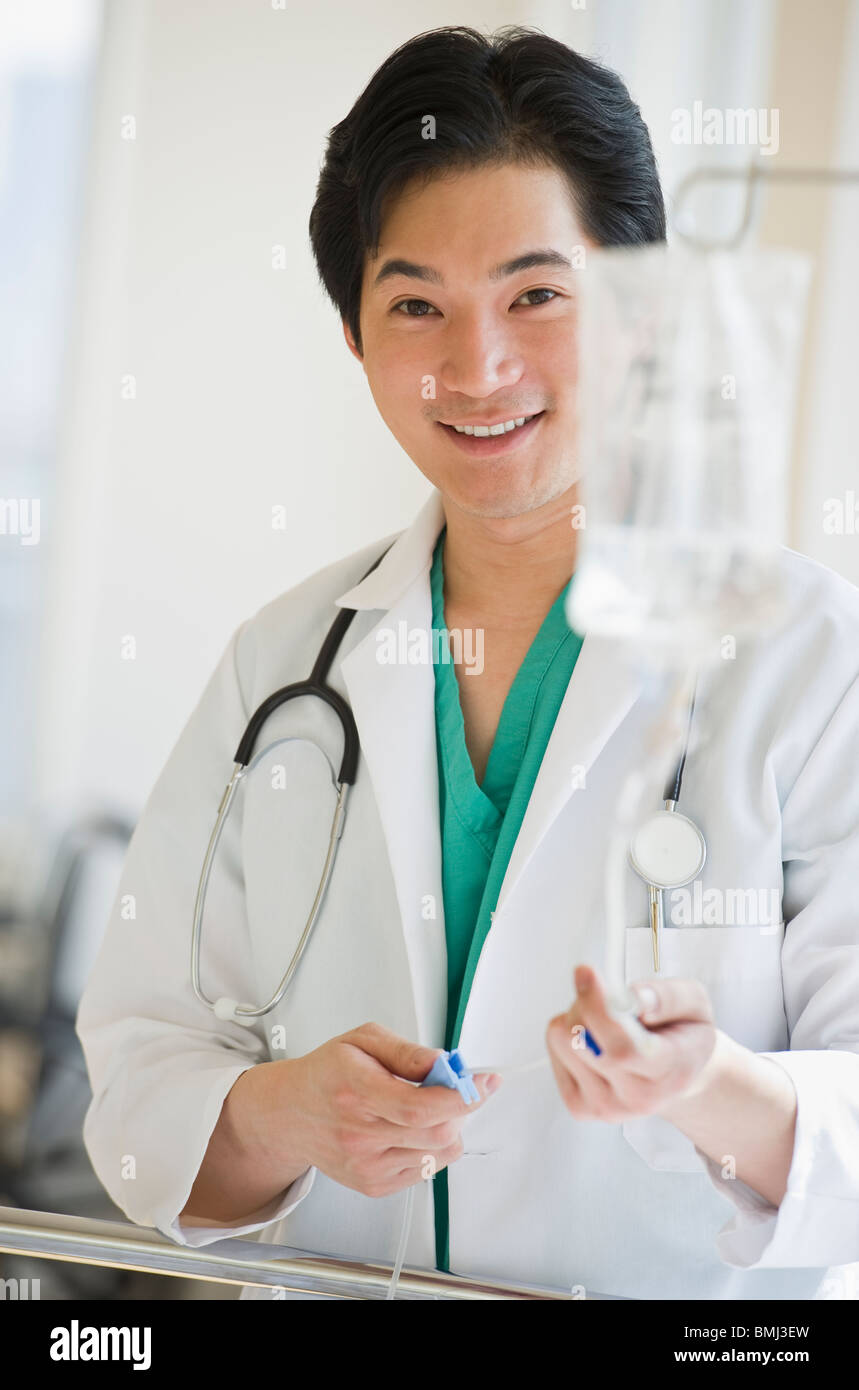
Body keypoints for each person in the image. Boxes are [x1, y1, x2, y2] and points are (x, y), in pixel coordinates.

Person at [76, 25, 859, 1300]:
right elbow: (138, 1085)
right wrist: (280, 1116)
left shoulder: (812, 661)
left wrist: (709, 1086)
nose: (476, 367)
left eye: (536, 295)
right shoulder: (281, 663)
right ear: (354, 334)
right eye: (415, 305)